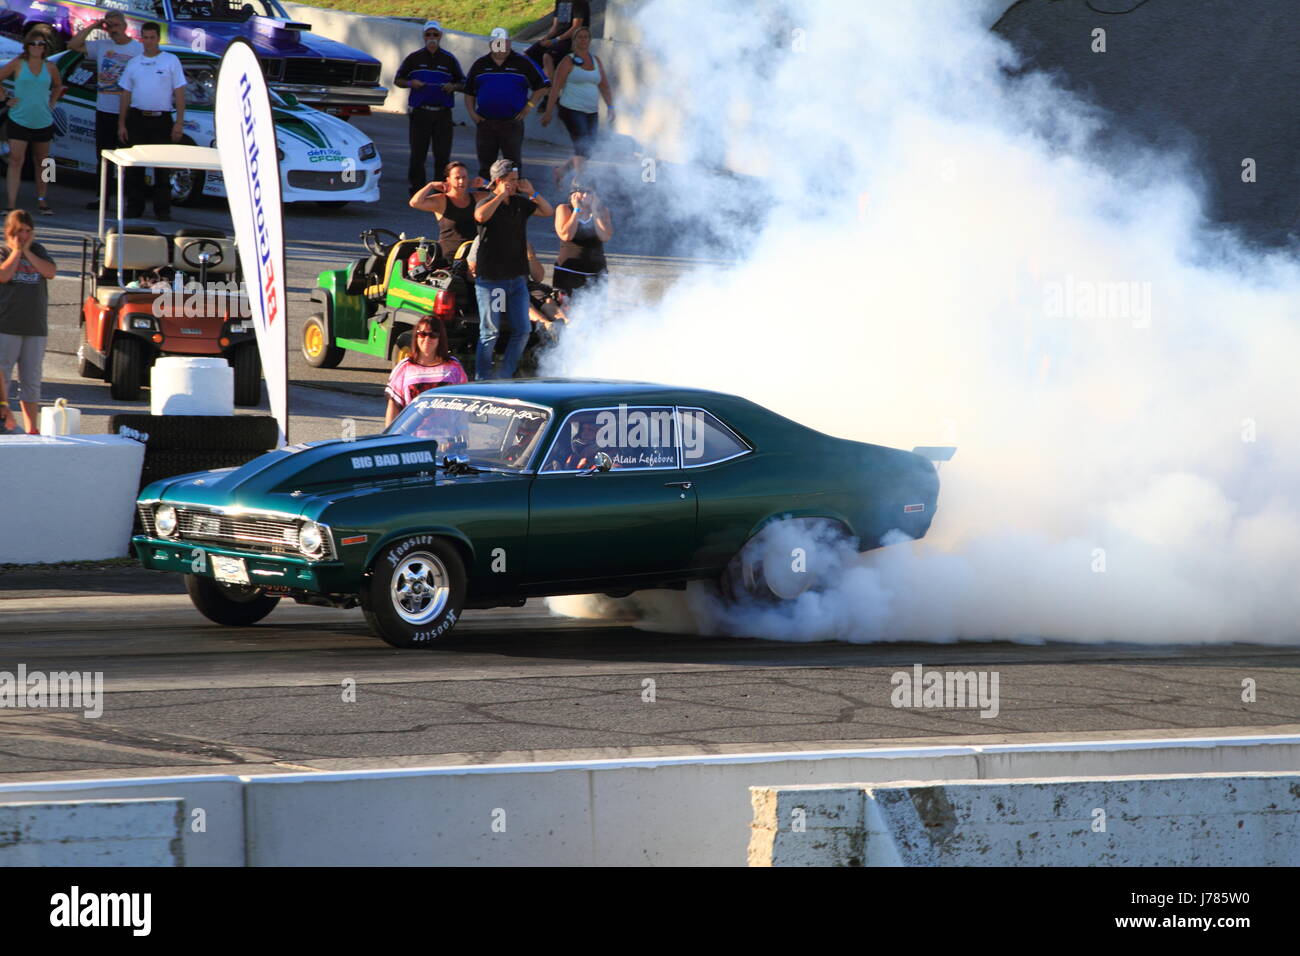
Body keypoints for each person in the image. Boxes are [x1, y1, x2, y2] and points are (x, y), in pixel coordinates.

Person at [472, 159, 553, 380]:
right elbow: (480, 217)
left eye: (516, 180)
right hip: (492, 281)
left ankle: (505, 375)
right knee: (490, 332)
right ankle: (483, 378)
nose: (516, 184)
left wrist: (533, 192)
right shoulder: (488, 202)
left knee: (523, 329)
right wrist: (499, 195)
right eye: (511, 180)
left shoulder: (519, 203)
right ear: (498, 181)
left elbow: (547, 211)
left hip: (516, 280)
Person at [69, 11, 142, 210]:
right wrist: (94, 26)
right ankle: (102, 198)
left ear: (125, 26)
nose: (113, 30)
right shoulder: (101, 46)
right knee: (103, 157)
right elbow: (73, 45)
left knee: (128, 159)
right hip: (104, 109)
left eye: (117, 25)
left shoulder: (137, 49)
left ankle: (131, 202)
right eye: (109, 26)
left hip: (127, 111)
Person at [117, 22, 186, 221]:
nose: (148, 42)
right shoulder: (134, 63)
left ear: (158, 38)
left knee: (162, 168)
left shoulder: (170, 61)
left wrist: (179, 122)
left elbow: (180, 93)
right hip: (137, 118)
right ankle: (134, 208)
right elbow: (125, 94)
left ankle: (162, 210)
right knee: (135, 167)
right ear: (141, 39)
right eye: (145, 37)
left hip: (161, 119)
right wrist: (122, 123)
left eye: (152, 37)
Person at [463, 28, 549, 183]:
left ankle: (513, 200)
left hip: (511, 123)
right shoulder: (480, 64)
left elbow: (542, 86)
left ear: (509, 43)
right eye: (496, 43)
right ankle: (486, 200)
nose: (500, 47)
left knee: (513, 166)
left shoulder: (523, 62)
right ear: (491, 44)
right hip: (485, 122)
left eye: (503, 43)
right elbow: (469, 92)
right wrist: (472, 114)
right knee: (485, 166)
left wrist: (528, 106)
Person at [393, 20, 466, 198]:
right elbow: (398, 79)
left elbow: (463, 83)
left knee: (442, 155)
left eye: (435, 35)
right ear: (423, 36)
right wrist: (412, 83)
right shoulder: (414, 58)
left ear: (440, 36)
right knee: (418, 154)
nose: (431, 38)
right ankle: (417, 191)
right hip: (420, 112)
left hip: (442, 113)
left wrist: (452, 86)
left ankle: (442, 190)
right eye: (428, 35)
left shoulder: (449, 59)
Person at [0, 210, 56, 435]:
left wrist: (28, 252)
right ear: (9, 232)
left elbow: (50, 271)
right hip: (6, 326)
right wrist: (16, 251)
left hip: (35, 327)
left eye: (28, 231)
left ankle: (32, 428)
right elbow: (3, 275)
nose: (23, 236)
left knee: (31, 380)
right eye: (19, 231)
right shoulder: (3, 251)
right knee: (3, 378)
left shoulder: (38, 251)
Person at [0, 29, 63, 215]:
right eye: (33, 44)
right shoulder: (19, 63)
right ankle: (11, 204)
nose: (37, 47)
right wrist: (5, 99)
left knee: (44, 162)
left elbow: (58, 85)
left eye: (41, 44)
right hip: (19, 119)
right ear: (27, 46)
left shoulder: (50, 67)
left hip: (43, 120)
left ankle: (43, 200)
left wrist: (53, 101)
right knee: (15, 160)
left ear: (45, 48)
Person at [541, 25, 612, 185]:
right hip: (571, 109)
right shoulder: (568, 61)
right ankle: (580, 181)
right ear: (574, 40)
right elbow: (556, 87)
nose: (583, 40)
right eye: (580, 37)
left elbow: (604, 86)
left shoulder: (596, 61)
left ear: (590, 40)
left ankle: (561, 171)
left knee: (588, 148)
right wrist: (548, 111)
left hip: (591, 111)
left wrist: (611, 107)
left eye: (586, 37)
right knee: (581, 143)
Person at [384, 315, 468, 426]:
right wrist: (389, 438)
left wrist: (463, 437)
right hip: (410, 438)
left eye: (433, 335)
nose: (427, 339)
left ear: (440, 338)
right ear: (416, 337)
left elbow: (463, 408)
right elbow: (393, 405)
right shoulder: (404, 367)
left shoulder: (454, 367)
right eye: (422, 334)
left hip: (445, 439)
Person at [409, 160, 489, 262]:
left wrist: (485, 184)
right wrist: (431, 185)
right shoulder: (441, 200)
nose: (461, 181)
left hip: (474, 256)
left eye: (464, 177)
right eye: (457, 178)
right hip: (449, 258)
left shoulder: (477, 197)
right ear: (448, 180)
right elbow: (415, 203)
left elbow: (500, 196)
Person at [552, 181, 611, 295]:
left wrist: (595, 212)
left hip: (596, 272)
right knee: (565, 311)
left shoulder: (602, 211)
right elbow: (566, 235)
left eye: (589, 192)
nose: (585, 195)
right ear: (573, 193)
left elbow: (605, 236)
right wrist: (576, 211)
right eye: (581, 191)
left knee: (596, 311)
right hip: (569, 271)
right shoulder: (564, 208)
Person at [524, 1, 591, 87]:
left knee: (548, 56)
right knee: (528, 54)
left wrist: (555, 40)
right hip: (558, 38)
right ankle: (537, 83)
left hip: (572, 39)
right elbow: (555, 26)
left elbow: (576, 27)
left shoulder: (579, 3)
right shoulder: (559, 1)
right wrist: (546, 37)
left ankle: (549, 93)